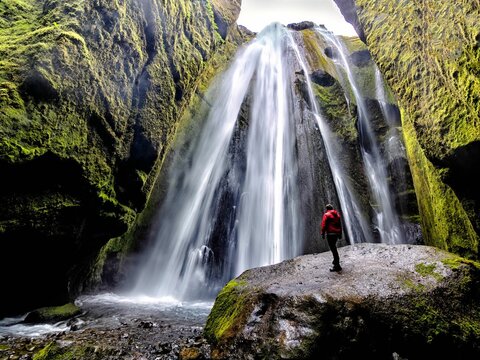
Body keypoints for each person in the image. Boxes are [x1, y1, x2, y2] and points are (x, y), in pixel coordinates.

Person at [321, 204, 343, 272]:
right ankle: (335, 262)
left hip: (330, 234)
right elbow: (340, 225)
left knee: (333, 249)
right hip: (336, 234)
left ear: (327, 209)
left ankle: (337, 265)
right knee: (334, 248)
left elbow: (324, 225)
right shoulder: (337, 215)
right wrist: (340, 234)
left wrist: (323, 233)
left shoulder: (326, 215)